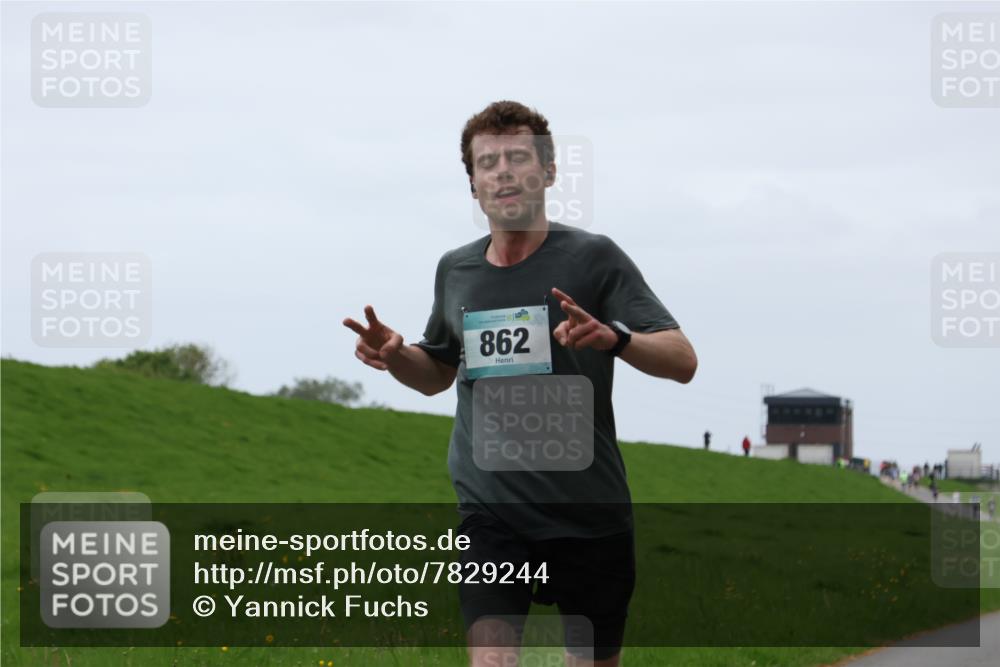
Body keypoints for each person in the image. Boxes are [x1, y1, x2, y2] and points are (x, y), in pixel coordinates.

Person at [343, 101, 697, 667]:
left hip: (588, 513)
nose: (503, 172)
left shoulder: (594, 258)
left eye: (517, 158)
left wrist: (615, 339)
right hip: (492, 513)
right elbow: (436, 374)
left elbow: (682, 360)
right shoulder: (456, 270)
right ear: (473, 184)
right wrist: (397, 355)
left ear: (549, 172)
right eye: (488, 163)